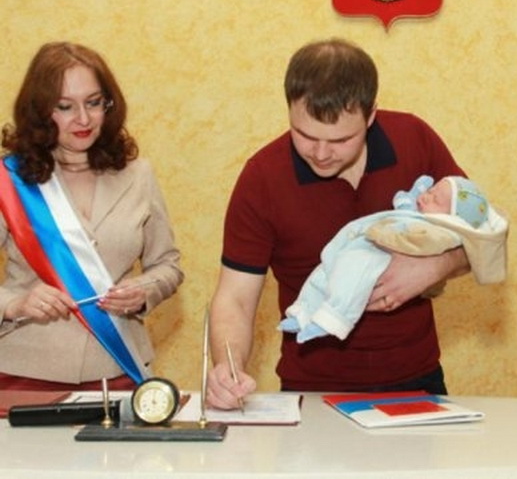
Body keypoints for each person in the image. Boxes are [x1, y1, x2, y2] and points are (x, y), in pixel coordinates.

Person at [207, 38, 477, 408]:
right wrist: (228, 366)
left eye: (341, 139)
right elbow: (235, 298)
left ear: (371, 116)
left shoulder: (415, 139)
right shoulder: (262, 176)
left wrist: (436, 266)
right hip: (310, 387)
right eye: (304, 135)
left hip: (416, 380)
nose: (320, 153)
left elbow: (482, 238)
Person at [0, 42, 183, 391]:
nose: (83, 119)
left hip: (118, 368)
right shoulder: (9, 181)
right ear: (39, 110)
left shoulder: (139, 174)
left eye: (94, 102)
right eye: (65, 107)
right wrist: (15, 304)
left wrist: (144, 290)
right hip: (25, 372)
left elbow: (168, 265)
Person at [278, 174, 508, 343]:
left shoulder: (440, 231)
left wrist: (438, 265)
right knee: (324, 273)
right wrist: (415, 193)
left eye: (435, 199)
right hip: (310, 376)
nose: (426, 196)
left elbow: (481, 248)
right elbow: (404, 203)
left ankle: (334, 319)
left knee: (352, 275)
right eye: (430, 191)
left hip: (376, 256)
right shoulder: (267, 171)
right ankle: (303, 313)